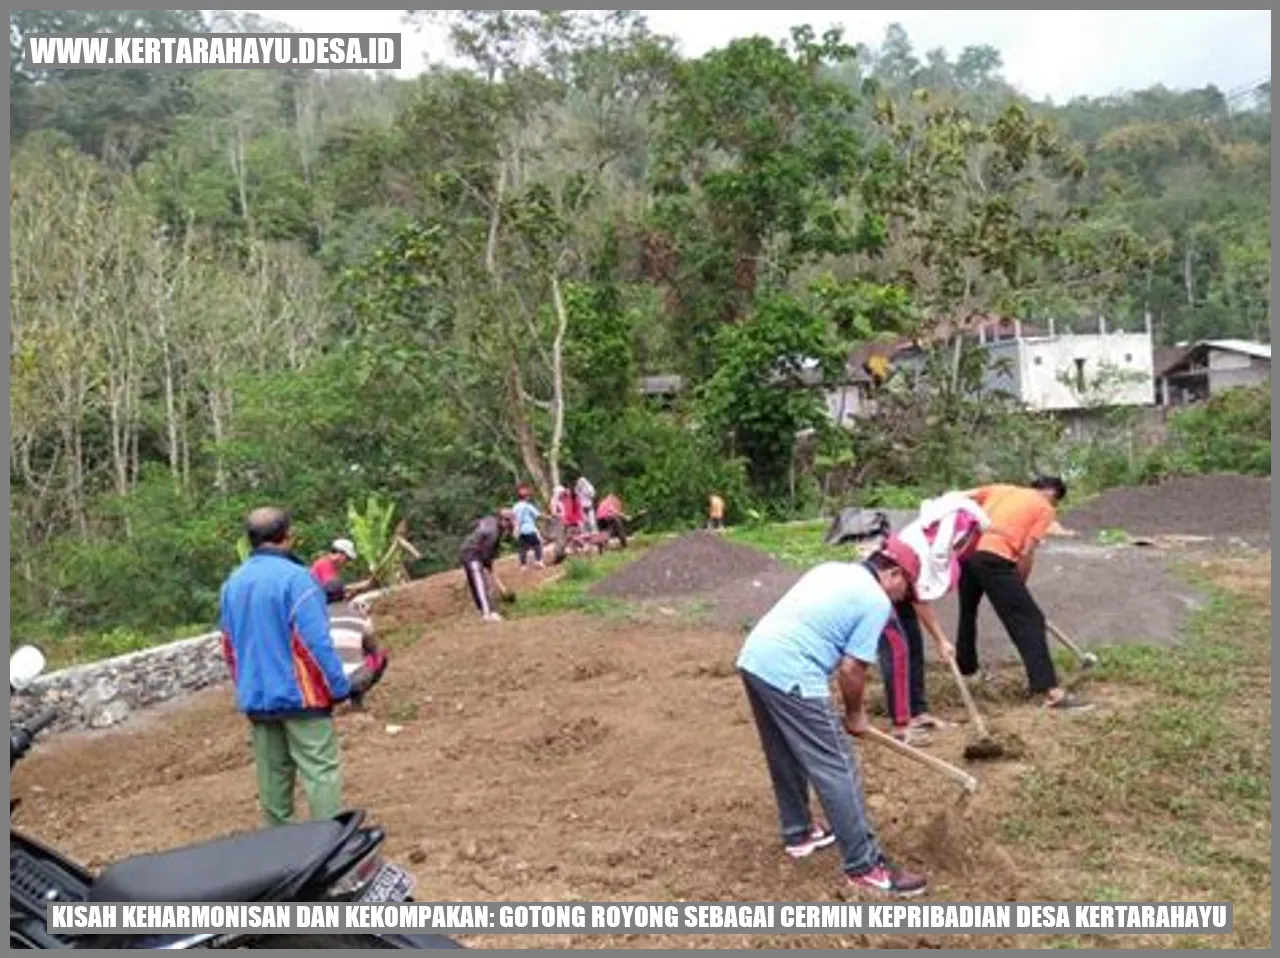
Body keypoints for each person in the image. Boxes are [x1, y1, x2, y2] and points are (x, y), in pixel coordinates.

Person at [735, 536, 929, 897]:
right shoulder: (875, 601)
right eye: (907, 588)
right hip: (793, 671)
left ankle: (800, 833)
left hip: (755, 659)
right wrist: (855, 716)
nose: (904, 597)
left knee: (784, 752)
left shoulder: (832, 570)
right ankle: (866, 867)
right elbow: (852, 669)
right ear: (893, 573)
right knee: (838, 765)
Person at [220, 507, 369, 827]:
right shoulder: (297, 580)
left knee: (273, 783)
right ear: (288, 536)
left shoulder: (232, 584)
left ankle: (282, 852)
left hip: (258, 699)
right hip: (302, 696)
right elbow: (316, 642)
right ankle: (327, 844)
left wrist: (246, 686)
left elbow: (230, 647)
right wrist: (339, 686)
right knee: (320, 771)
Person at [955, 476, 1090, 710]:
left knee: (967, 613)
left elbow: (958, 496)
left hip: (967, 558)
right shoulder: (1044, 508)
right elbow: (1027, 552)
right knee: (1030, 620)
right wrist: (1020, 583)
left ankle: (967, 671)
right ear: (1053, 494)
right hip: (994, 559)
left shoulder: (1002, 489)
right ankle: (1050, 691)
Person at [879, 492, 992, 743]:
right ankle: (901, 723)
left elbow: (919, 593)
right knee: (898, 651)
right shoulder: (918, 542)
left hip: (904, 593)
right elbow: (920, 598)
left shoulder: (934, 539)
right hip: (882, 594)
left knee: (914, 648)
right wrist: (941, 639)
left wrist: (939, 640)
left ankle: (918, 712)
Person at [323, 579, 388, 710]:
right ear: (344, 594)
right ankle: (356, 700)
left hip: (324, 683)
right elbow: (373, 649)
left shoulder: (317, 618)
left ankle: (326, 703)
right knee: (380, 657)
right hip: (354, 680)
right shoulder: (360, 616)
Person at [459, 509, 515, 622]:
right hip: (472, 554)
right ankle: (488, 613)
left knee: (476, 583)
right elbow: (486, 554)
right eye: (508, 524)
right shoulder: (493, 532)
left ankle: (485, 610)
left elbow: (477, 525)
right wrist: (488, 566)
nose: (508, 528)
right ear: (503, 520)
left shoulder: (491, 520)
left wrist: (488, 564)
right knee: (479, 583)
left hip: (468, 551)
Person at [512, 485, 545, 571]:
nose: (529, 497)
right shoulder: (527, 506)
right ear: (526, 497)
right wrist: (548, 517)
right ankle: (539, 561)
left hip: (520, 531)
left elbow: (513, 518)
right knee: (537, 544)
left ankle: (523, 566)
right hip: (530, 529)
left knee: (522, 548)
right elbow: (538, 515)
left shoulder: (515, 507)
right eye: (528, 496)